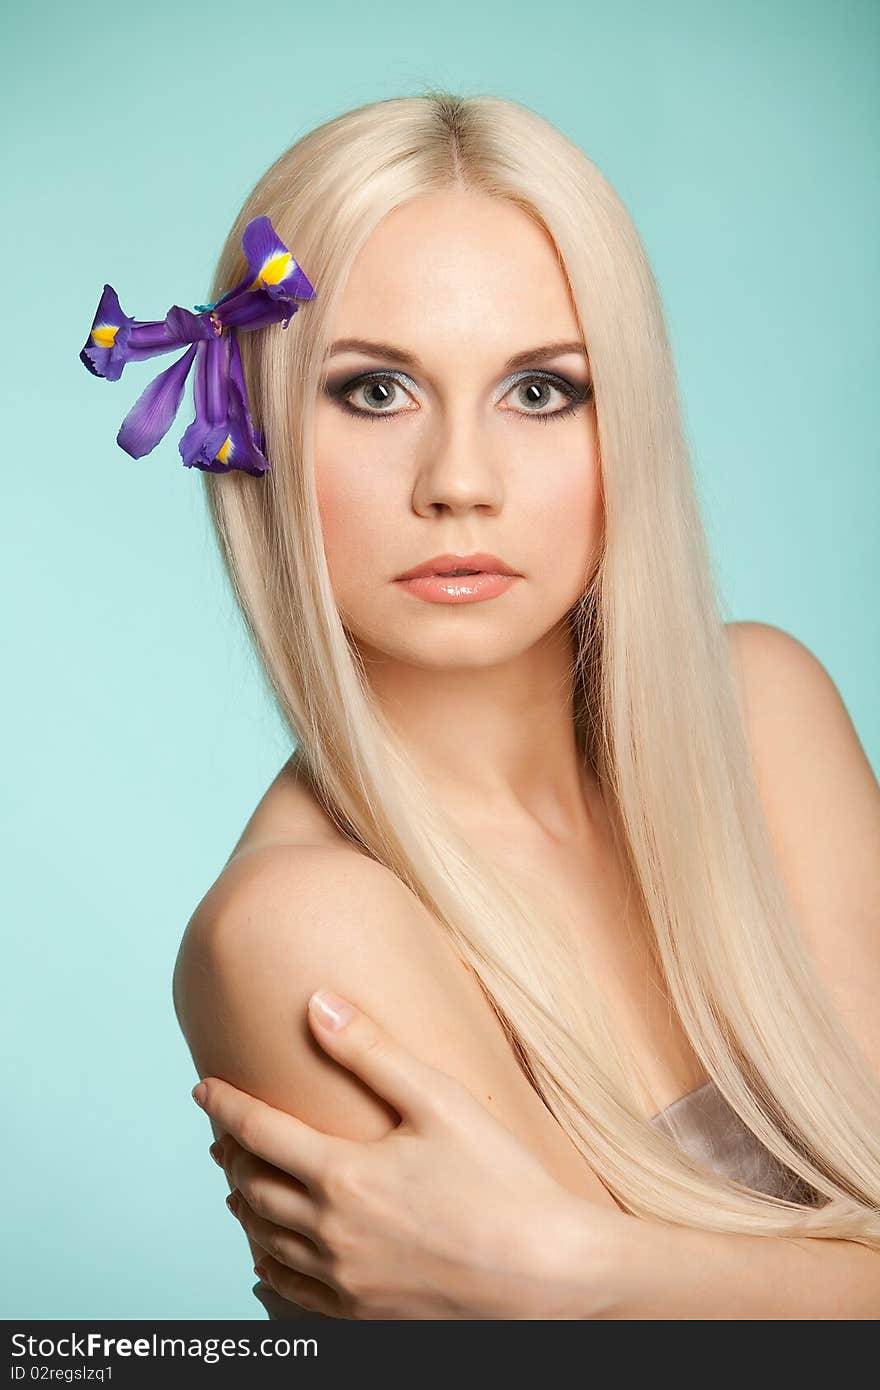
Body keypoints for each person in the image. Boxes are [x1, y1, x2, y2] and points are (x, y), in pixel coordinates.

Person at [170, 91, 880, 1319]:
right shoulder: (300, 926)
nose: (459, 482)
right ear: (254, 433)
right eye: (375, 391)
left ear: (629, 423)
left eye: (542, 391)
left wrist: (583, 1271)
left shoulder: (767, 713)